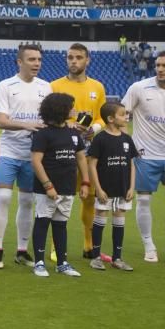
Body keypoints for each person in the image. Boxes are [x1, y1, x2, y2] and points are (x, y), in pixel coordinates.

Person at [121, 50, 165, 263]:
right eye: (158, 65)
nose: (160, 69)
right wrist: (129, 145)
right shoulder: (139, 88)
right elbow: (122, 115)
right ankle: (148, 245)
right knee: (143, 201)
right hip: (144, 156)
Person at [0, 44, 51, 269]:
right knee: (4, 198)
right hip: (9, 151)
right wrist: (28, 125)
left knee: (27, 201)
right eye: (32, 59)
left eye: (39, 59)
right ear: (19, 62)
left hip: (33, 154)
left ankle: (22, 251)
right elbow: (1, 121)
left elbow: (50, 119)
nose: (36, 63)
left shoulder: (46, 87)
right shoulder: (6, 85)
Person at [50, 43, 107, 261]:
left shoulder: (97, 87)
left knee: (89, 198)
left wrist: (93, 128)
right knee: (59, 198)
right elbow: (47, 115)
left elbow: (103, 116)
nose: (74, 61)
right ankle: (56, 247)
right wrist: (66, 122)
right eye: (70, 57)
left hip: (89, 150)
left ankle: (88, 244)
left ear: (87, 60)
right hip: (62, 150)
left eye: (78, 57)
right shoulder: (54, 86)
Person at [30, 92, 89, 278]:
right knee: (42, 222)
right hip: (46, 189)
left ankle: (62, 263)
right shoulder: (42, 134)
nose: (75, 110)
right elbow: (36, 161)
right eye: (71, 106)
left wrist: (85, 182)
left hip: (67, 187)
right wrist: (48, 185)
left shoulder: (74, 134)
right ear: (60, 109)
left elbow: (81, 159)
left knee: (61, 224)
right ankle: (39, 262)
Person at [86, 102, 137, 272]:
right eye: (122, 114)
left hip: (123, 189)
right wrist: (98, 189)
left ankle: (117, 258)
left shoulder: (126, 139)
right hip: (105, 189)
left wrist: (131, 187)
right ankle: (95, 257)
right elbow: (92, 165)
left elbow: (131, 164)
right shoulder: (100, 139)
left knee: (119, 219)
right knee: (101, 216)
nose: (125, 117)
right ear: (110, 118)